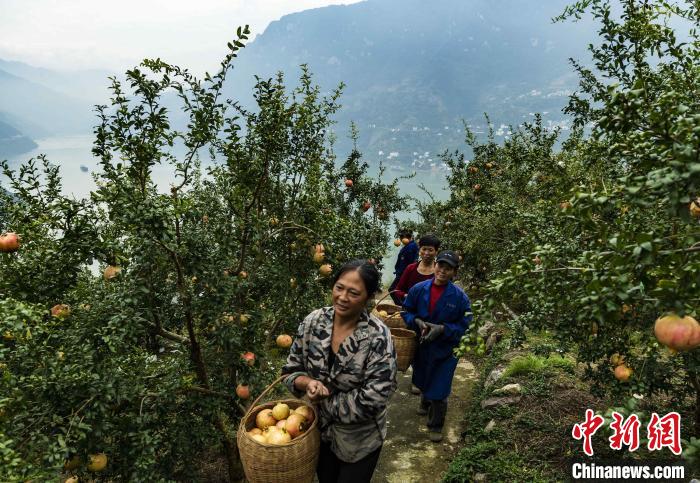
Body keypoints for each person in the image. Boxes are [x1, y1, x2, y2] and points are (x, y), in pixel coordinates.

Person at [282, 259, 398, 483]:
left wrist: (322, 405)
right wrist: (307, 384)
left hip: (360, 441)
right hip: (319, 433)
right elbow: (290, 372)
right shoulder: (313, 323)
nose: (343, 297)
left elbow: (376, 397)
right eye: (339, 288)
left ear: (367, 297)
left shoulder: (378, 337)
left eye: (354, 293)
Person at [401, 250, 472, 442]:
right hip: (423, 346)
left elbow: (466, 324)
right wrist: (416, 321)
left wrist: (443, 329)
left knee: (440, 388)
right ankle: (425, 401)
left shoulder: (459, 298)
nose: (442, 270)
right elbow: (406, 310)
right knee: (423, 377)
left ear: (454, 273)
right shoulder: (418, 289)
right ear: (434, 266)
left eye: (448, 268)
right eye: (440, 266)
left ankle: (436, 424)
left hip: (446, 350)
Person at [393, 233, 441, 304]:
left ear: (436, 252)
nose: (426, 253)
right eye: (424, 249)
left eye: (430, 250)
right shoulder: (411, 268)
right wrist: (407, 296)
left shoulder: (440, 271)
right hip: (411, 311)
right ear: (419, 250)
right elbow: (398, 290)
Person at [389, 229, 418, 304]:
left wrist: (406, 275)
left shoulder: (411, 247)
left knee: (392, 290)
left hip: (403, 274)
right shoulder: (408, 246)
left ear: (409, 237)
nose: (402, 239)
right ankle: (402, 306)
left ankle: (400, 305)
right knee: (399, 291)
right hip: (401, 273)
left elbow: (412, 262)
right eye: (401, 237)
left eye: (404, 237)